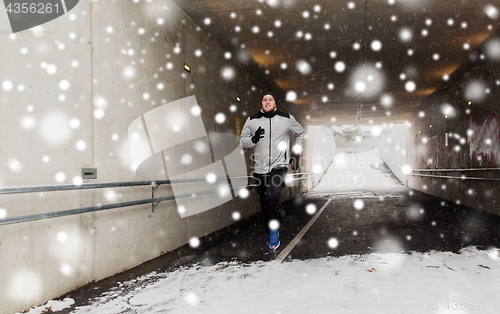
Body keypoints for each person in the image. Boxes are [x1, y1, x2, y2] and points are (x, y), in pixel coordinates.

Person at [240, 91, 305, 252]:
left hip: (279, 167)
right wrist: (253, 139)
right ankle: (270, 232)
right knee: (265, 203)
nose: (267, 101)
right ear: (261, 103)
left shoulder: (286, 119)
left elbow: (301, 133)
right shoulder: (252, 120)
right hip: (260, 169)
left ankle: (274, 233)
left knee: (272, 196)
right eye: (264, 99)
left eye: (270, 99)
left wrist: (296, 153)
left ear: (275, 103)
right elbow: (243, 140)